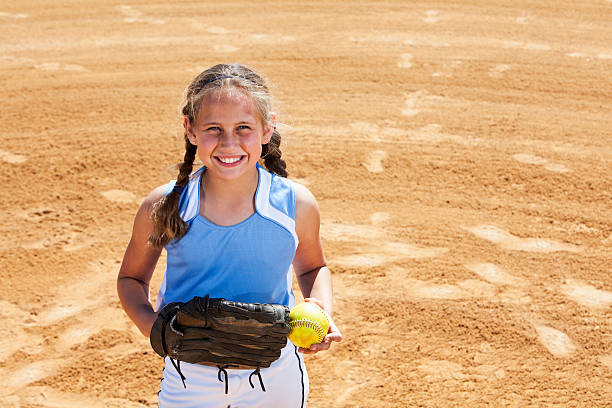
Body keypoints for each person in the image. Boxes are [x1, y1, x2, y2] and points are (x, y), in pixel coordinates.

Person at [116, 63, 342, 407]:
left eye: (243, 128)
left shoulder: (294, 204)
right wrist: (153, 330)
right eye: (214, 129)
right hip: (189, 375)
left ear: (267, 129)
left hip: (275, 372)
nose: (228, 143)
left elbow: (313, 268)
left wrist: (320, 309)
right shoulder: (166, 205)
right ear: (190, 130)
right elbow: (131, 278)